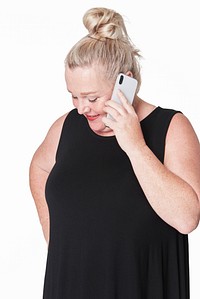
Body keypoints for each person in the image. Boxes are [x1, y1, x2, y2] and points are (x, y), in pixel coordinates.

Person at [29, 7, 200, 299]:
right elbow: (39, 169)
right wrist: (54, 237)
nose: (82, 108)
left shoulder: (171, 127)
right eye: (74, 96)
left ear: (126, 82)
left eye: (92, 97)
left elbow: (186, 218)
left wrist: (134, 145)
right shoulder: (66, 127)